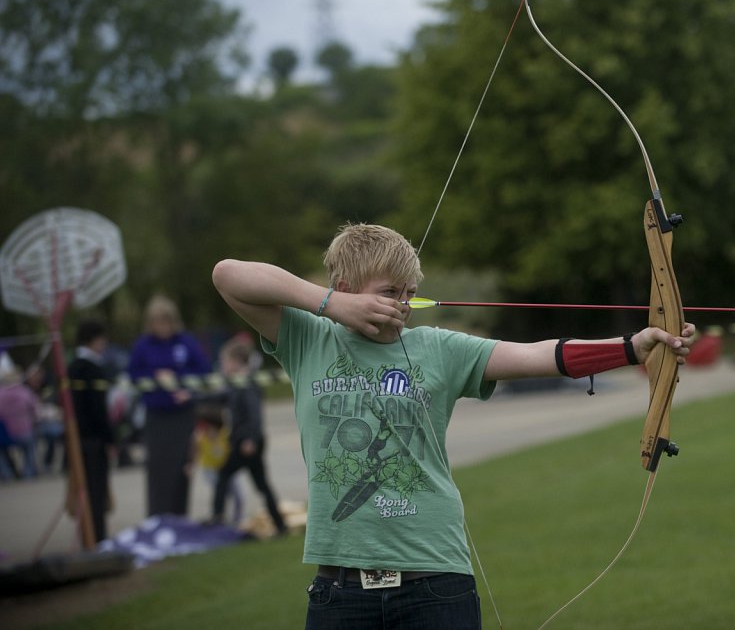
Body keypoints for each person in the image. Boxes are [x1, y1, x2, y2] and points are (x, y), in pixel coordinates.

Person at [211, 223, 696, 630]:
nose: (401, 305)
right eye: (388, 293)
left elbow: (538, 355)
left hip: (434, 583)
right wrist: (328, 305)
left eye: (409, 294)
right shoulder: (306, 338)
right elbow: (227, 275)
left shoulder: (439, 348)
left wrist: (633, 347)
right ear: (346, 288)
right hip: (340, 591)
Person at [128, 295, 212, 516]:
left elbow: (204, 370)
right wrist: (155, 377)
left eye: (165, 321)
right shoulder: (143, 346)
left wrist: (186, 387)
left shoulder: (185, 342)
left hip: (182, 415)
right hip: (156, 416)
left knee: (182, 467)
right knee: (158, 469)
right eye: (157, 322)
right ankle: (157, 518)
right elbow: (133, 375)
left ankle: (179, 518)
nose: (162, 326)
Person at [205, 336, 287, 536]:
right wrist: (190, 397)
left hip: (248, 442)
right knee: (261, 484)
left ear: (236, 362)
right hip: (245, 441)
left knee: (223, 475)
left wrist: (250, 439)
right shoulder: (236, 383)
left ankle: (217, 517)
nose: (223, 365)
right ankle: (280, 525)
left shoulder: (248, 383)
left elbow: (254, 414)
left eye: (225, 361)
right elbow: (218, 397)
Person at [67, 319, 116, 542]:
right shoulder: (92, 368)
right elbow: (98, 410)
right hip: (94, 439)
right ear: (93, 339)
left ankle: (86, 536)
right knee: (96, 491)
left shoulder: (71, 367)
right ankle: (97, 536)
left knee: (83, 491)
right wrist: (110, 438)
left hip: (76, 439)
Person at [194, 406, 244, 527]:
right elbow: (195, 452)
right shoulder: (201, 438)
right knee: (221, 493)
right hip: (210, 469)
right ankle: (220, 519)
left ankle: (237, 521)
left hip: (226, 469)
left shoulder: (225, 434)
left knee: (238, 496)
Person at [0, 364, 41, 480]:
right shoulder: (24, 392)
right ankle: (28, 472)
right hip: (24, 432)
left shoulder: (1, 394)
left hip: (4, 434)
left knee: (1, 451)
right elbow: (36, 411)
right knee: (30, 446)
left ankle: (6, 473)